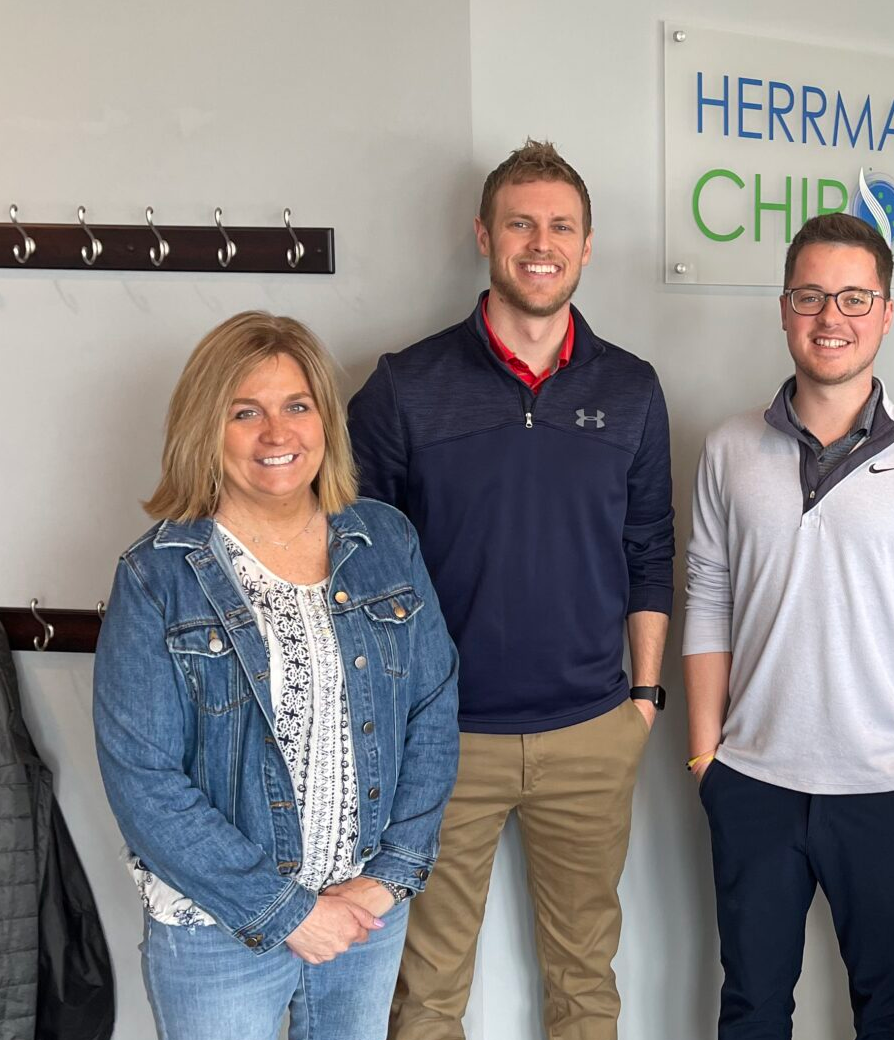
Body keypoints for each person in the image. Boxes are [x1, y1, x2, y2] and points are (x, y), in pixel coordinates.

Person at [347, 139, 675, 1040]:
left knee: (585, 979)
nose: (542, 242)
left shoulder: (633, 389)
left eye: (561, 225)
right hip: (446, 745)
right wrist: (399, 717)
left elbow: (651, 551)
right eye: (522, 223)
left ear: (588, 244)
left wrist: (643, 700)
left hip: (590, 733)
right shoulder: (404, 388)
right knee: (427, 989)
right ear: (483, 234)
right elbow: (356, 571)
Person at [93, 312, 460, 1040]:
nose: (277, 434)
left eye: (297, 406)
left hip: (363, 919)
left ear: (325, 417)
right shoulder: (157, 576)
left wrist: (391, 876)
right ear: (207, 429)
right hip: (219, 934)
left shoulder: (385, 539)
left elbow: (433, 712)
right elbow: (145, 779)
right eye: (245, 413)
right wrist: (290, 912)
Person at [682, 212, 894, 1039]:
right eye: (811, 295)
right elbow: (706, 596)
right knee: (750, 1009)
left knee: (890, 1016)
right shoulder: (729, 448)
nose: (831, 317)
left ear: (888, 312)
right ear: (783, 308)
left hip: (885, 788)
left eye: (855, 297)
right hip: (752, 785)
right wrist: (706, 757)